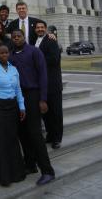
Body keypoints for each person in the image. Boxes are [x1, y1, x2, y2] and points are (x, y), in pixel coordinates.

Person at [10, 29, 55, 186]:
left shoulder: (34, 52)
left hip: (33, 95)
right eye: (14, 37)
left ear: (24, 37)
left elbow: (43, 74)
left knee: (35, 133)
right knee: (22, 132)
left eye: (19, 36)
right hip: (18, 97)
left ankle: (48, 171)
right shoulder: (11, 54)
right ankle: (30, 165)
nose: (16, 39)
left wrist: (43, 99)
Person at [0, 44, 26, 186]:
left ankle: (16, 173)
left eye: (6, 52)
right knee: (0, 139)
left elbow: (18, 89)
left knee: (12, 138)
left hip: (12, 107)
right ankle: (2, 176)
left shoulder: (14, 69)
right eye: (1, 53)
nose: (4, 55)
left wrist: (22, 106)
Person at [34, 20, 63, 149]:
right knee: (45, 112)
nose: (40, 29)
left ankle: (57, 138)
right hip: (40, 84)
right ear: (35, 30)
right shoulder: (34, 41)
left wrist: (36, 61)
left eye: (42, 27)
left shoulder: (51, 40)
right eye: (38, 27)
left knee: (55, 112)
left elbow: (54, 59)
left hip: (52, 83)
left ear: (46, 29)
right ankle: (50, 135)